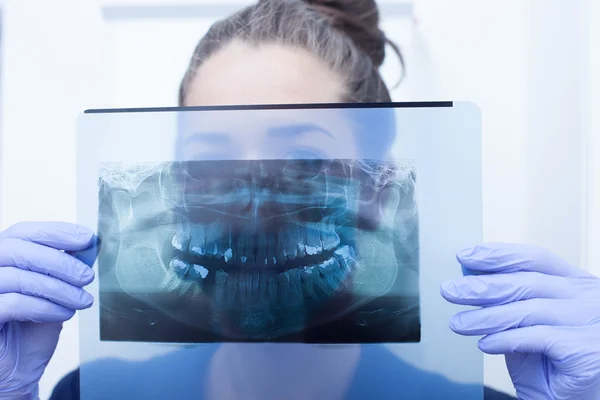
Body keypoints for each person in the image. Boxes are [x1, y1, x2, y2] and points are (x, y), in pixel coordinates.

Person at [0, 0, 598, 399]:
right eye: (211, 161)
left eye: (306, 163)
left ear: (379, 183)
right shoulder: (85, 395)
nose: (254, 209)